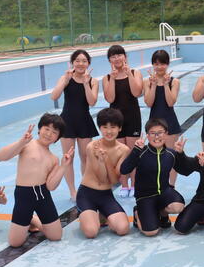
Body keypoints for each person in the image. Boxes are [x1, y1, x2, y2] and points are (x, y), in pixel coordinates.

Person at [0, 114, 73, 247]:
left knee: (56, 236)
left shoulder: (53, 159)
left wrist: (63, 166)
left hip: (43, 195)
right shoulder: (27, 145)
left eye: (54, 132)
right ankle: (29, 218)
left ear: (57, 138)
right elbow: (1, 156)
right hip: (24, 195)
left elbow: (51, 186)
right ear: (39, 129)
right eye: (46, 129)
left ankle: (33, 220)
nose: (49, 134)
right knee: (15, 243)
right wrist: (21, 142)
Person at [120, 118, 186, 237]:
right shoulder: (141, 152)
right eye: (152, 133)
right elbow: (124, 169)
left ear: (166, 134)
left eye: (160, 132)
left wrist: (181, 154)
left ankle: (163, 214)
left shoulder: (171, 153)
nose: (157, 137)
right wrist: (135, 151)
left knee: (178, 206)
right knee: (151, 232)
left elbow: (185, 170)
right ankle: (137, 213)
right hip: (145, 196)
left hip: (164, 192)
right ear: (147, 135)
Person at [51, 49, 99, 201]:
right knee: (68, 158)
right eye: (77, 61)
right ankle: (72, 191)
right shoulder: (66, 78)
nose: (80, 64)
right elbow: (54, 96)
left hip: (84, 121)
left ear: (88, 63)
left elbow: (92, 102)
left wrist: (85, 83)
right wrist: (64, 81)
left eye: (84, 61)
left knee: (86, 157)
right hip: (67, 122)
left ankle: (85, 188)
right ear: (72, 63)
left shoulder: (93, 81)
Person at [76, 108, 132, 239]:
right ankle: (87, 216)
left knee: (123, 229)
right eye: (105, 127)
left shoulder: (124, 150)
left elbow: (114, 181)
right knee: (91, 232)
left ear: (119, 128)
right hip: (87, 194)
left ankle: (102, 215)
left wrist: (105, 160)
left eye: (113, 127)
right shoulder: (92, 147)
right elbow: (101, 178)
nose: (109, 131)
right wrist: (101, 161)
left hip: (106, 195)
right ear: (100, 128)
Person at [102, 44, 144, 197]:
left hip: (133, 117)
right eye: (113, 56)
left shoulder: (135, 72)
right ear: (109, 61)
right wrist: (113, 79)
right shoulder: (107, 78)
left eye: (119, 55)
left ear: (125, 57)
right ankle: (124, 185)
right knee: (119, 154)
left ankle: (135, 184)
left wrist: (129, 75)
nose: (117, 58)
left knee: (133, 152)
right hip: (115, 121)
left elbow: (137, 92)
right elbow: (110, 98)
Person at [144, 49, 181, 185]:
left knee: (170, 157)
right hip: (153, 124)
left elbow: (170, 102)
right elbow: (149, 103)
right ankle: (157, 186)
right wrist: (153, 85)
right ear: (153, 64)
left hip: (170, 122)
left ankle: (171, 186)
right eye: (156, 64)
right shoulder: (147, 82)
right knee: (155, 157)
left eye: (162, 63)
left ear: (168, 64)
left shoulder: (174, 81)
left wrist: (165, 84)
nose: (159, 67)